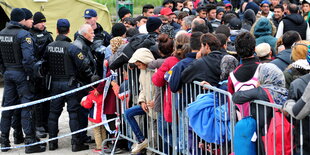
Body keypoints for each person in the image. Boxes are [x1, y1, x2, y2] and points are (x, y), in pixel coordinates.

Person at [44, 19, 94, 151]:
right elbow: (84, 65)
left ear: (56, 30)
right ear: (69, 30)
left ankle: (52, 144)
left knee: (53, 114)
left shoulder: (49, 47)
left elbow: (43, 65)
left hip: (54, 84)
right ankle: (76, 144)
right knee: (73, 113)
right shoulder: (72, 47)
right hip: (70, 84)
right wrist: (91, 78)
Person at [0, 8, 46, 153]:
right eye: (30, 18)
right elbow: (28, 60)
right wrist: (31, 75)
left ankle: (4, 141)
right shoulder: (23, 35)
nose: (32, 21)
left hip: (8, 73)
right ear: (22, 19)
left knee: (8, 108)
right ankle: (30, 142)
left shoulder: (2, 33)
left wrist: (5, 71)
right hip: (22, 75)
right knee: (27, 107)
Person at [125, 48, 156, 154]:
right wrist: (142, 101)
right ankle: (142, 140)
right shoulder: (143, 71)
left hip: (155, 106)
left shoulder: (155, 71)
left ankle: (151, 150)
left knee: (154, 133)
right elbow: (141, 88)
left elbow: (160, 90)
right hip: (146, 104)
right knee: (128, 113)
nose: (138, 67)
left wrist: (155, 101)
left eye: (139, 65)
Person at [29, 11, 54, 138]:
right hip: (35, 74)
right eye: (41, 22)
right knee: (36, 101)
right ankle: (38, 125)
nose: (43, 24)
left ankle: (46, 124)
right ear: (35, 23)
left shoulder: (48, 35)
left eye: (44, 21)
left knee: (47, 100)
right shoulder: (29, 35)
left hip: (47, 73)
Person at [227, 32, 260, 117]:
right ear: (254, 48)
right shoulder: (263, 69)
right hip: (263, 120)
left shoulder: (232, 75)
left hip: (243, 120)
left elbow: (231, 102)